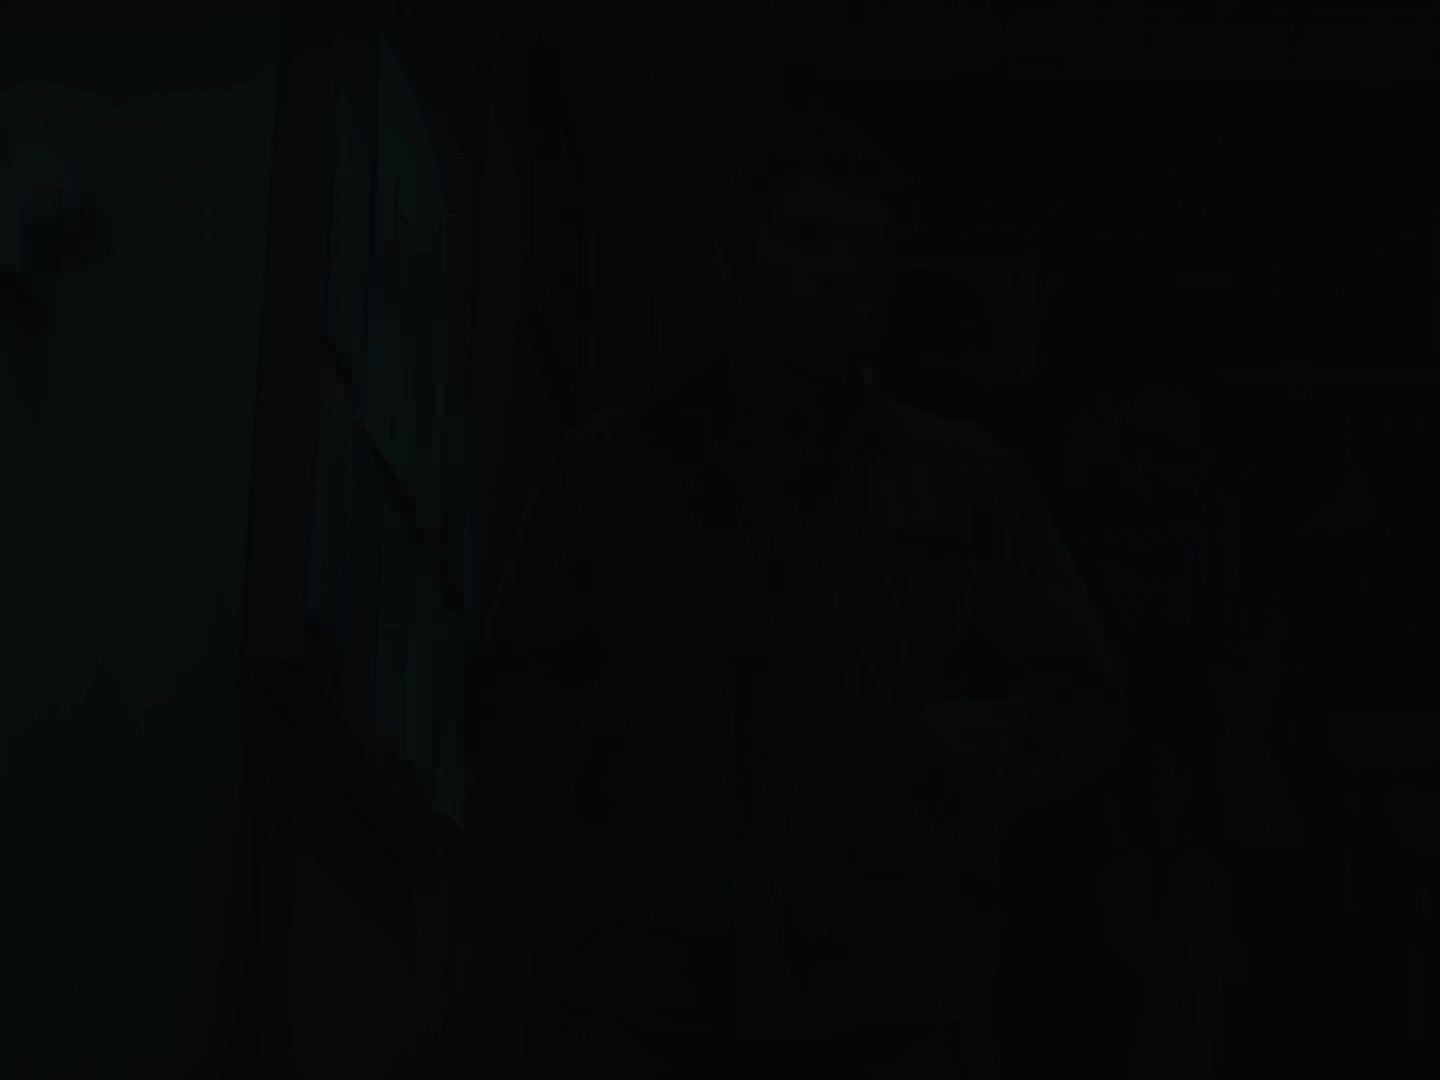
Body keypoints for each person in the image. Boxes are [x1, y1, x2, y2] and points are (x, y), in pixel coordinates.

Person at [464, 109, 1128, 1080]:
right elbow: (503, 692)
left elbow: (1082, 698)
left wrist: (940, 756)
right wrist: (611, 762)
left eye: (868, 251)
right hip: (657, 981)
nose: (839, 272)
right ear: (732, 257)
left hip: (889, 987)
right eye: (810, 240)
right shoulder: (616, 469)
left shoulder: (968, 482)